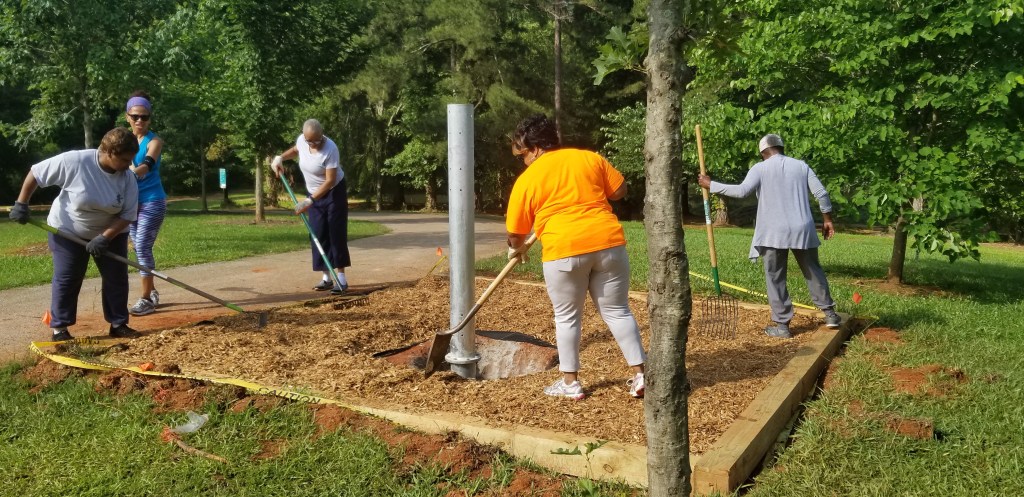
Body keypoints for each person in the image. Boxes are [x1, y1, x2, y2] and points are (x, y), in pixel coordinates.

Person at [506, 114, 646, 400]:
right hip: (608, 243)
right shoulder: (589, 158)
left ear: (535, 148)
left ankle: (570, 384)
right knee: (618, 310)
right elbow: (619, 191)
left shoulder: (527, 179)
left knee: (567, 317)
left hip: (564, 250)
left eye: (522, 155)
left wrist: (516, 247)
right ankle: (641, 374)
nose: (523, 161)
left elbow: (515, 232)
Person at [698, 133, 842, 338]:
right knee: (813, 271)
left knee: (775, 277)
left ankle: (782, 326)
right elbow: (822, 193)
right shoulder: (801, 166)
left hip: (773, 232)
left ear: (763, 152)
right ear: (781, 148)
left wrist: (711, 185)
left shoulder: (760, 168)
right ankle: (830, 315)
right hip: (803, 228)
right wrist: (827, 219)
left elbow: (742, 191)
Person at [8, 128, 142, 341]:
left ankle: (118, 324)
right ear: (109, 152)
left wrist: (104, 237)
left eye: (131, 159)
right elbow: (36, 173)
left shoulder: (128, 178)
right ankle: (60, 329)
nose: (129, 165)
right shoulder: (76, 161)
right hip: (67, 230)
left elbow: (128, 215)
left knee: (116, 277)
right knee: (68, 277)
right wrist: (21, 203)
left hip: (111, 232)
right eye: (125, 160)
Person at [270, 119, 350, 295]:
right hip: (313, 193)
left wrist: (309, 201)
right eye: (310, 141)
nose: (314, 144)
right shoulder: (302, 141)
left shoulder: (331, 149)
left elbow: (330, 181)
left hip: (333, 193)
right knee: (318, 233)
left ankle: (341, 278)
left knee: (335, 233)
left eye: (317, 140)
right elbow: (295, 150)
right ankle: (326, 278)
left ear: (322, 134)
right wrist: (281, 158)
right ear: (304, 137)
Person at [124, 91, 168, 317]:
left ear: (150, 118)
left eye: (145, 117)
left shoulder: (155, 141)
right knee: (139, 248)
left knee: (141, 246)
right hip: (131, 203)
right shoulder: (124, 140)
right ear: (127, 117)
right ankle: (151, 291)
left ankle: (146, 299)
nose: (140, 120)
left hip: (152, 200)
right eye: (135, 116)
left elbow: (147, 165)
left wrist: (130, 172)